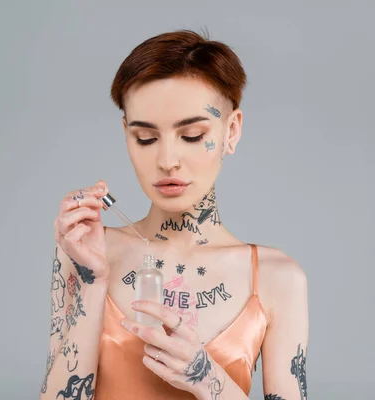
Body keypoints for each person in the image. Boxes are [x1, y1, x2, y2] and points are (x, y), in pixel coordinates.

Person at [40, 29, 309, 400]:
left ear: (231, 131)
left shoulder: (277, 278)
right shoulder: (89, 251)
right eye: (146, 139)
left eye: (193, 135)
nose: (167, 161)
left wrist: (206, 378)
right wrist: (92, 283)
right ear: (126, 136)